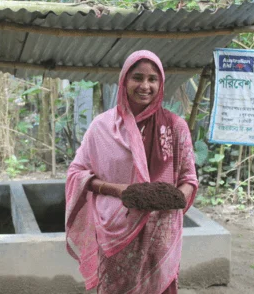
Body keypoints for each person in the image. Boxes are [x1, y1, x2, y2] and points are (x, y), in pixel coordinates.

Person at [65, 50, 198, 294]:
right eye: (137, 77)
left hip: (160, 231)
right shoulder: (102, 127)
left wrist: (177, 196)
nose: (145, 86)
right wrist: (118, 190)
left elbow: (189, 177)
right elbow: (77, 172)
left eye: (152, 79)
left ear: (161, 83)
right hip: (116, 229)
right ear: (124, 80)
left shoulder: (175, 126)